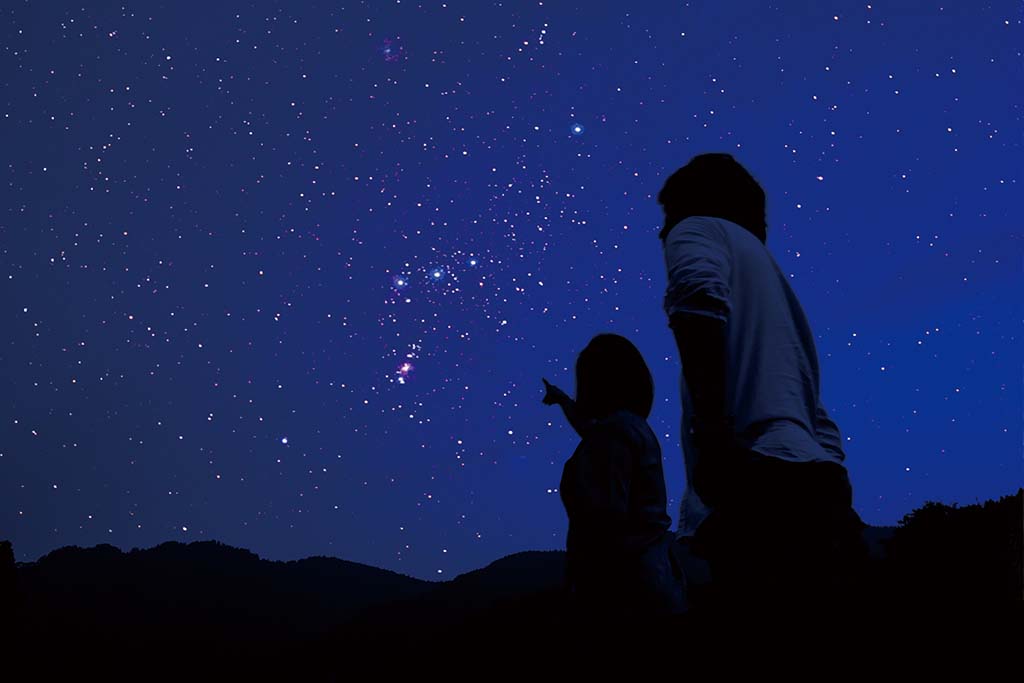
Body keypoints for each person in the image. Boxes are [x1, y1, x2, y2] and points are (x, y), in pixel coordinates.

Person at [658, 153, 867, 619]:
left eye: (668, 213)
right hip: (813, 479)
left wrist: (713, 440)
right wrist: (830, 477)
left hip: (757, 479)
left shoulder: (697, 230)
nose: (663, 230)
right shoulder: (771, 281)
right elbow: (816, 413)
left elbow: (698, 302)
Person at [541, 334, 687, 621]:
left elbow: (604, 523)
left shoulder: (613, 434)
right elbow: (591, 431)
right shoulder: (631, 428)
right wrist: (562, 400)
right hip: (653, 583)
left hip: (626, 595)